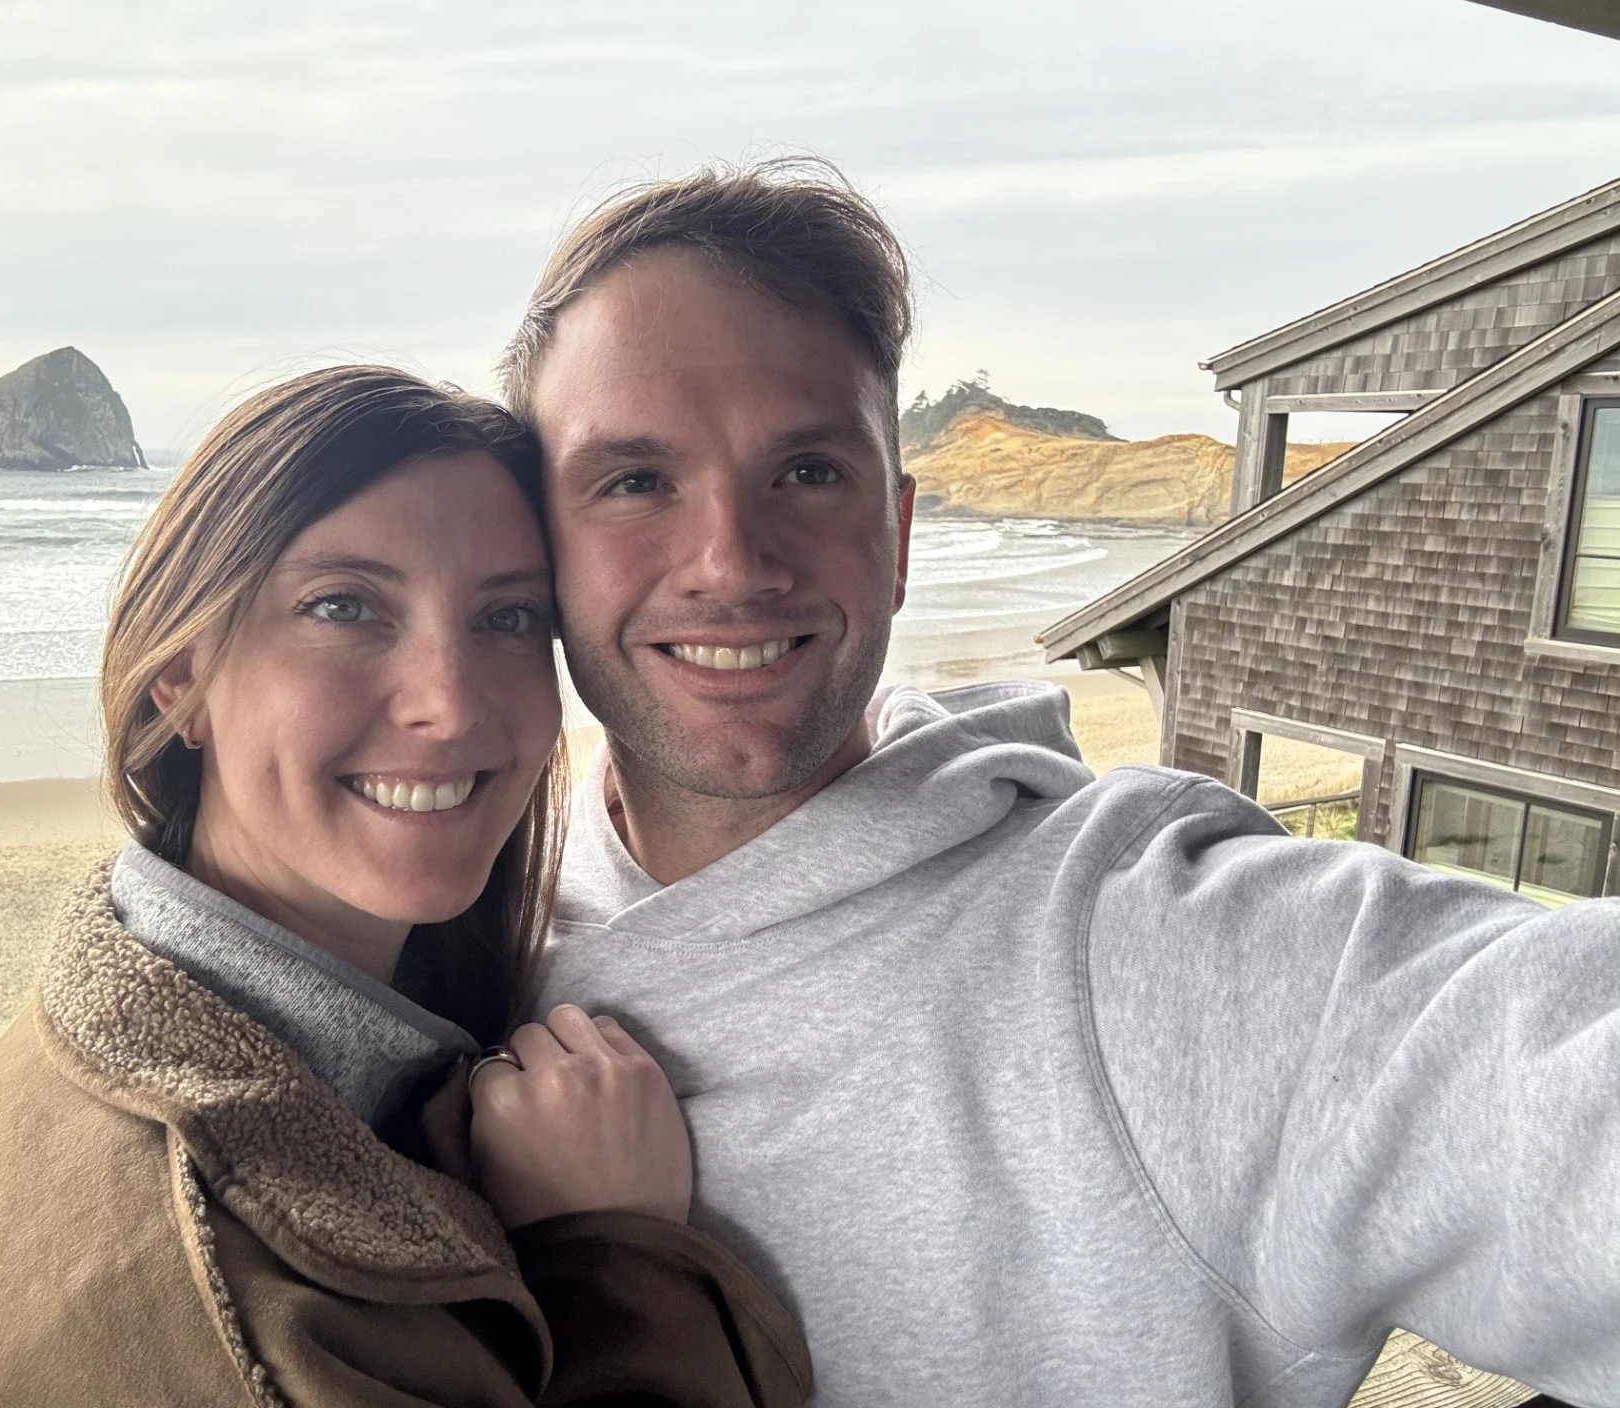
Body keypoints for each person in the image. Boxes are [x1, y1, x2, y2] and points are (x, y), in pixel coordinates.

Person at [505, 161, 1620, 1408]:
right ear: (540, 552)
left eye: (808, 472)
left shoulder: (1153, 946)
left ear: (901, 539)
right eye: (634, 481)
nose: (729, 559)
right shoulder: (471, 914)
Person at [0, 366, 809, 1407]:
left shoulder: (139, 990)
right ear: (182, 676)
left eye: (511, 618)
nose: (448, 702)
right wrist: (615, 1257)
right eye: (344, 606)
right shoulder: (253, 1321)